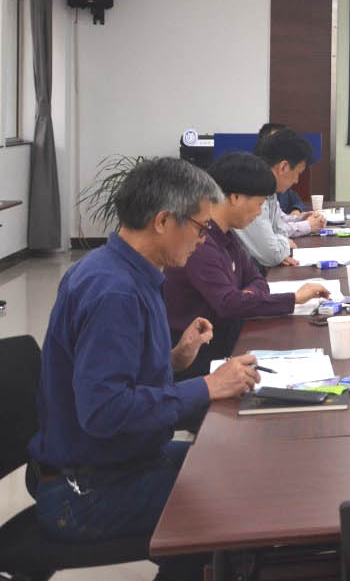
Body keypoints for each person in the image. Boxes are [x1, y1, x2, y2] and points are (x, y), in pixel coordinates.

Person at [27, 158, 259, 577]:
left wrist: (172, 359)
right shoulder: (114, 292)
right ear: (163, 221)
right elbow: (103, 411)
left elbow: (109, 376)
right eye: (200, 227)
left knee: (231, 465)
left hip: (117, 461)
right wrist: (206, 386)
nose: (204, 239)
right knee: (230, 498)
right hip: (85, 490)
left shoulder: (125, 269)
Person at [164, 152, 330, 376]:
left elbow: (257, 280)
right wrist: (294, 299)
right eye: (259, 204)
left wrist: (245, 297)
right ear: (235, 197)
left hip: (228, 341)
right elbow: (229, 304)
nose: (259, 212)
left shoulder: (227, 234)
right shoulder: (200, 242)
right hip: (201, 360)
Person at [236, 128, 324, 268]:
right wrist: (282, 243)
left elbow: (279, 227)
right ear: (283, 167)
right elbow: (272, 254)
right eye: (298, 173)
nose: (296, 181)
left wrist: (299, 219)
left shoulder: (269, 189)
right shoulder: (252, 190)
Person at [258, 121, 306, 215]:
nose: (296, 181)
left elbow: (279, 220)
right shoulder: (256, 182)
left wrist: (297, 212)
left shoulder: (275, 184)